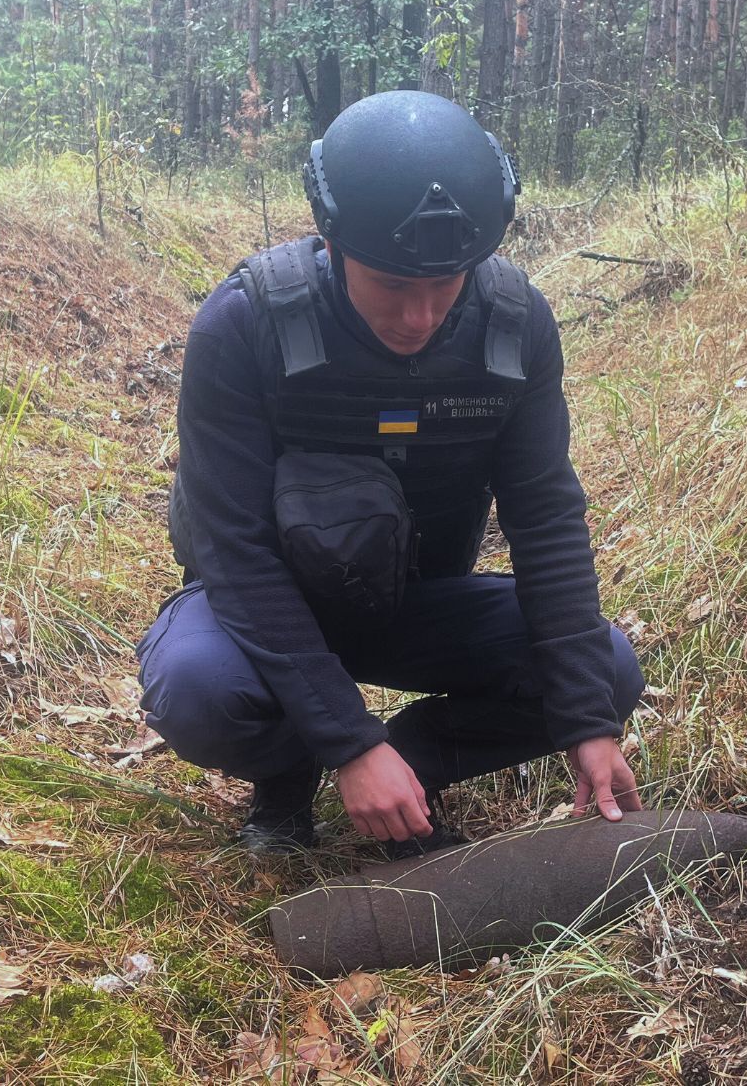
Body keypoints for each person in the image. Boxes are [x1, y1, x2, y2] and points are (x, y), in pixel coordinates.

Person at [135, 90, 644, 859]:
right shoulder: (243, 327)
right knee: (198, 689)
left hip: (417, 600)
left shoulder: (515, 327)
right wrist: (346, 740)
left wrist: (587, 722)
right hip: (266, 602)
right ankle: (291, 770)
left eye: (448, 285)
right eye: (395, 286)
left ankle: (413, 764)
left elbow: (545, 519)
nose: (422, 316)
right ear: (334, 244)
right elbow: (233, 548)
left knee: (603, 672)